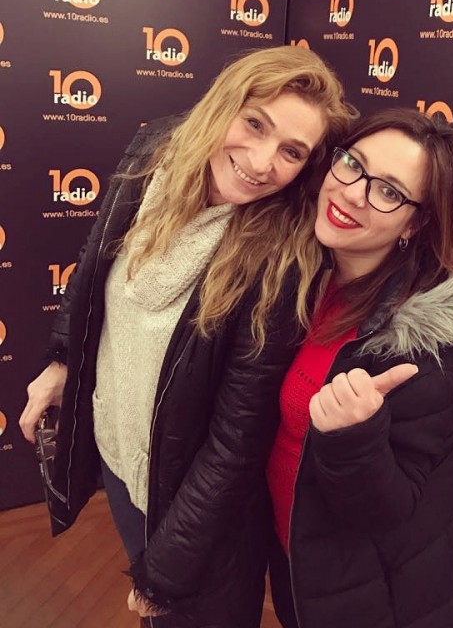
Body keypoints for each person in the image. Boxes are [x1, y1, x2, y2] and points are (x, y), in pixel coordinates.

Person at [18, 45, 356, 627]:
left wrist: (167, 571)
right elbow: (96, 265)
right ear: (223, 105)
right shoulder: (154, 153)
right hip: (118, 456)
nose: (260, 162)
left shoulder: (278, 262)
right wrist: (61, 360)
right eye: (255, 124)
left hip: (193, 511)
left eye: (291, 152)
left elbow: (236, 442)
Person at [265, 108, 453, 628]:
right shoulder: (307, 273)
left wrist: (352, 436)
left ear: (416, 222)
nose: (352, 193)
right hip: (297, 557)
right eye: (352, 164)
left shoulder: (419, 348)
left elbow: (390, 508)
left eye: (388, 191)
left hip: (374, 596)